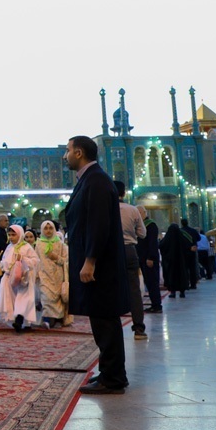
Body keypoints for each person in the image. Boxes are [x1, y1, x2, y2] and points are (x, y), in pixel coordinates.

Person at [63, 135, 129, 395]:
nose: (65, 155)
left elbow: (99, 225)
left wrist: (90, 260)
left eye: (67, 150)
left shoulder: (98, 181)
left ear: (79, 153)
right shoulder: (90, 180)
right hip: (96, 265)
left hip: (100, 267)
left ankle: (113, 379)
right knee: (102, 321)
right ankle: (110, 373)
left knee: (105, 321)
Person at [115, 181, 147, 340]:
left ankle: (113, 331)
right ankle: (139, 329)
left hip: (111, 252)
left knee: (110, 290)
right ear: (124, 194)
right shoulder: (133, 210)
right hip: (129, 250)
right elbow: (142, 234)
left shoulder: (104, 209)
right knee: (134, 291)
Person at [0, 224, 40, 332]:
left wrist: (23, 259)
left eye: (13, 235)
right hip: (10, 278)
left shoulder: (26, 247)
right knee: (12, 300)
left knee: (24, 300)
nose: (11, 237)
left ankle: (23, 321)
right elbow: (4, 260)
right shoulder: (9, 247)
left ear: (20, 234)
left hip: (24, 279)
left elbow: (35, 260)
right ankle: (16, 320)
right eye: (9, 235)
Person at [36, 220, 73, 329]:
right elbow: (36, 260)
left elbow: (66, 260)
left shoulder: (60, 244)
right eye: (46, 228)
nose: (48, 231)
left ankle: (56, 319)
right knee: (46, 297)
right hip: (44, 275)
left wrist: (56, 257)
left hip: (58, 276)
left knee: (57, 298)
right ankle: (47, 320)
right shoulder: (39, 244)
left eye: (50, 228)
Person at [137, 206, 163, 313]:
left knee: (152, 282)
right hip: (143, 258)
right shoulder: (141, 225)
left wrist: (150, 258)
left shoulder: (151, 225)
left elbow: (152, 243)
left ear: (144, 213)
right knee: (148, 281)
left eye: (138, 213)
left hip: (149, 259)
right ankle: (154, 304)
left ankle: (157, 305)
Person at [159, 225, 190, 299]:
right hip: (181, 263)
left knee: (171, 276)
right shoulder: (182, 238)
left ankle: (173, 292)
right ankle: (182, 292)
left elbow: (161, 246)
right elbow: (187, 248)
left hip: (170, 263)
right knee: (181, 276)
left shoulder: (167, 239)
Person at [180, 218, 201, 290]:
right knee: (192, 268)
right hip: (192, 251)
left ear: (181, 223)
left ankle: (186, 283)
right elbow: (199, 238)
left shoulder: (180, 231)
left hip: (183, 252)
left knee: (185, 268)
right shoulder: (193, 230)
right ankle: (193, 284)